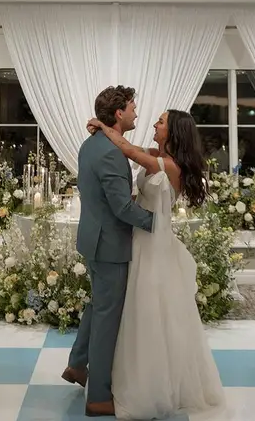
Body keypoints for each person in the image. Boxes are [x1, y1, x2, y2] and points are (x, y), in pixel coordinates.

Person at [86, 108, 227, 421]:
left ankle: (149, 384)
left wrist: (103, 126)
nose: (154, 123)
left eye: (160, 122)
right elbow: (131, 148)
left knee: (148, 309)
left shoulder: (169, 166)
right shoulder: (155, 155)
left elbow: (126, 149)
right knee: (135, 307)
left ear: (173, 131)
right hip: (140, 237)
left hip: (153, 242)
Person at [62, 86, 154, 418]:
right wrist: (157, 222)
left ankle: (77, 364)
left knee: (99, 306)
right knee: (107, 319)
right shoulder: (111, 153)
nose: (136, 112)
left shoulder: (92, 144)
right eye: (132, 107)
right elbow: (121, 208)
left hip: (94, 240)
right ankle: (99, 397)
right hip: (110, 245)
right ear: (118, 113)